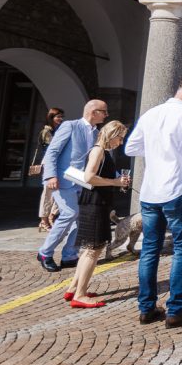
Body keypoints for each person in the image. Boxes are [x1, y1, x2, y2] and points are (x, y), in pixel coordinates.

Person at [126, 76, 182, 328]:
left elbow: (131, 148)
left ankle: (146, 308)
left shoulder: (151, 114)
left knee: (149, 249)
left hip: (151, 191)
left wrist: (158, 149)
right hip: (178, 188)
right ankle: (176, 309)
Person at [64, 120, 130, 308]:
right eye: (120, 138)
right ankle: (80, 295)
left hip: (95, 202)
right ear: (112, 134)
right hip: (95, 203)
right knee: (94, 249)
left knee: (89, 249)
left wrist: (116, 181)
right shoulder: (98, 151)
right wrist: (115, 182)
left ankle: (73, 288)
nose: (120, 142)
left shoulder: (101, 151)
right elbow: (89, 177)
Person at [37, 100, 108, 273]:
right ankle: (45, 253)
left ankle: (69, 255)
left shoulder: (96, 132)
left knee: (81, 217)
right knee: (70, 213)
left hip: (82, 181)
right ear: (93, 112)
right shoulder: (70, 126)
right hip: (62, 179)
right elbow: (52, 151)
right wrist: (51, 175)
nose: (106, 115)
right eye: (104, 111)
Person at [34, 108, 64, 232]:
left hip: (59, 163)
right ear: (51, 117)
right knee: (48, 192)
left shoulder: (58, 130)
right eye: (58, 116)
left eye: (62, 116)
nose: (61, 119)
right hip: (50, 163)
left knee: (59, 190)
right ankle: (44, 220)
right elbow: (52, 148)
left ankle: (52, 216)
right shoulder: (46, 131)